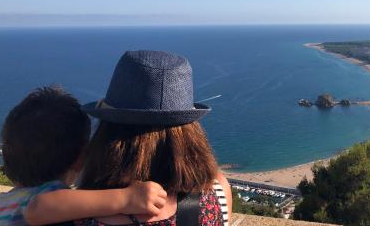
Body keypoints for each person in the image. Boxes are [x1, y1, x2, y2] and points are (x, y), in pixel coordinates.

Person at [36, 50, 232, 226]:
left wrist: (121, 199)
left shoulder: (76, 213)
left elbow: (34, 209)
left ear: (109, 133)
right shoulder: (218, 190)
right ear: (192, 131)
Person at [0, 87, 168, 226]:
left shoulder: (2, 203)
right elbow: (38, 207)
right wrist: (127, 198)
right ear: (81, 158)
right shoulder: (49, 194)